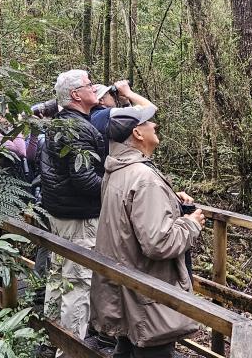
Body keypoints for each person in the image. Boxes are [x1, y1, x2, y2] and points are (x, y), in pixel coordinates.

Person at [91, 107, 204, 358]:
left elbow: (129, 220)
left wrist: (172, 202)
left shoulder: (118, 170)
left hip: (125, 286)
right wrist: (191, 223)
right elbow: (158, 243)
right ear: (137, 133)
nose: (154, 125)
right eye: (148, 122)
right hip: (147, 295)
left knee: (127, 348)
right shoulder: (144, 178)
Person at [40, 69, 107, 353]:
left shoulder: (63, 123)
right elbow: (84, 180)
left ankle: (51, 339)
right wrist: (117, 187)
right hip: (78, 218)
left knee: (59, 277)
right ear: (75, 94)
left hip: (61, 215)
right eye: (89, 84)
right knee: (78, 283)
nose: (94, 88)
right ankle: (69, 350)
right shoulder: (76, 127)